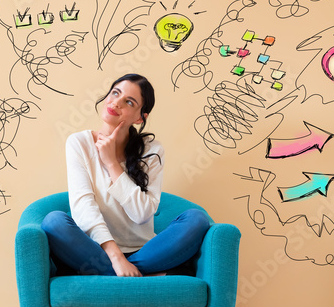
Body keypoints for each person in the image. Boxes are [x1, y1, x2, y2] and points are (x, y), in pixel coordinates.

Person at [41, 74, 210, 277]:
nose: (116, 102)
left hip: (146, 251)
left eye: (129, 102)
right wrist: (117, 258)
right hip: (96, 250)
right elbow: (83, 207)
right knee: (54, 222)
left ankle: (118, 274)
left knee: (196, 219)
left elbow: (141, 214)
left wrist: (111, 163)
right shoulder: (79, 143)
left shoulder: (152, 150)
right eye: (115, 93)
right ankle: (134, 272)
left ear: (140, 117)